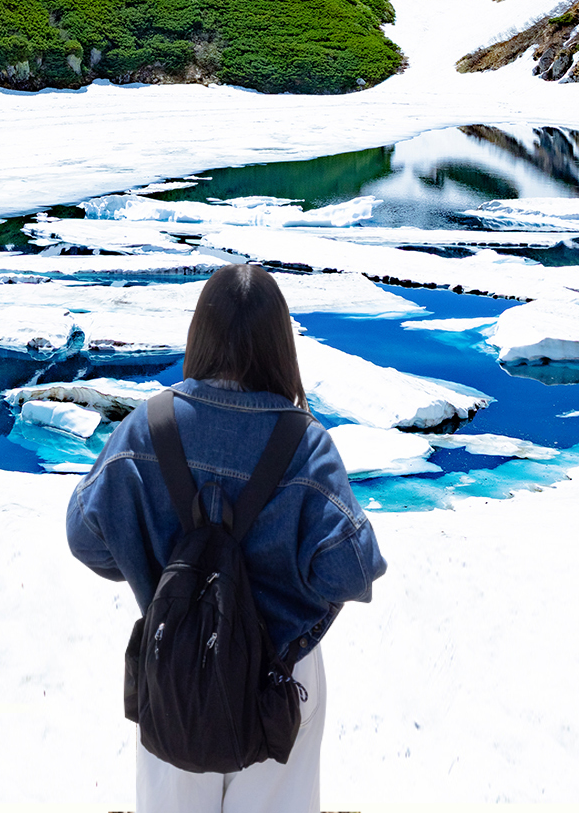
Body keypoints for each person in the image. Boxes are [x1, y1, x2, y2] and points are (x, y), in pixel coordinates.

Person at [66, 262, 386, 813]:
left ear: (200, 334)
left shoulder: (147, 426)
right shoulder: (306, 445)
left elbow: (84, 535)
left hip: (174, 665)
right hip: (277, 678)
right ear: (280, 345)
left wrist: (157, 572)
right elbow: (353, 568)